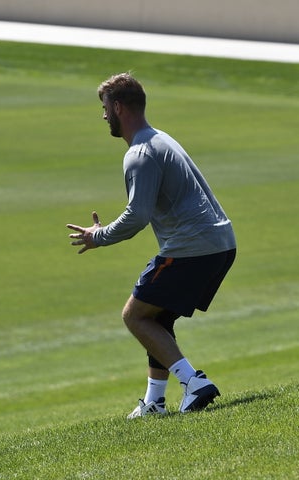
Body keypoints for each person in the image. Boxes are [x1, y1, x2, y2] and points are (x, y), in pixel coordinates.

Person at [67, 72, 236, 418]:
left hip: (193, 248)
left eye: (104, 108)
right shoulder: (161, 139)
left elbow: (136, 216)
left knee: (134, 315)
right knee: (156, 317)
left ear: (118, 108)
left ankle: (193, 382)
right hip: (220, 244)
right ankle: (154, 402)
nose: (103, 116)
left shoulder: (140, 154)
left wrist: (97, 236)